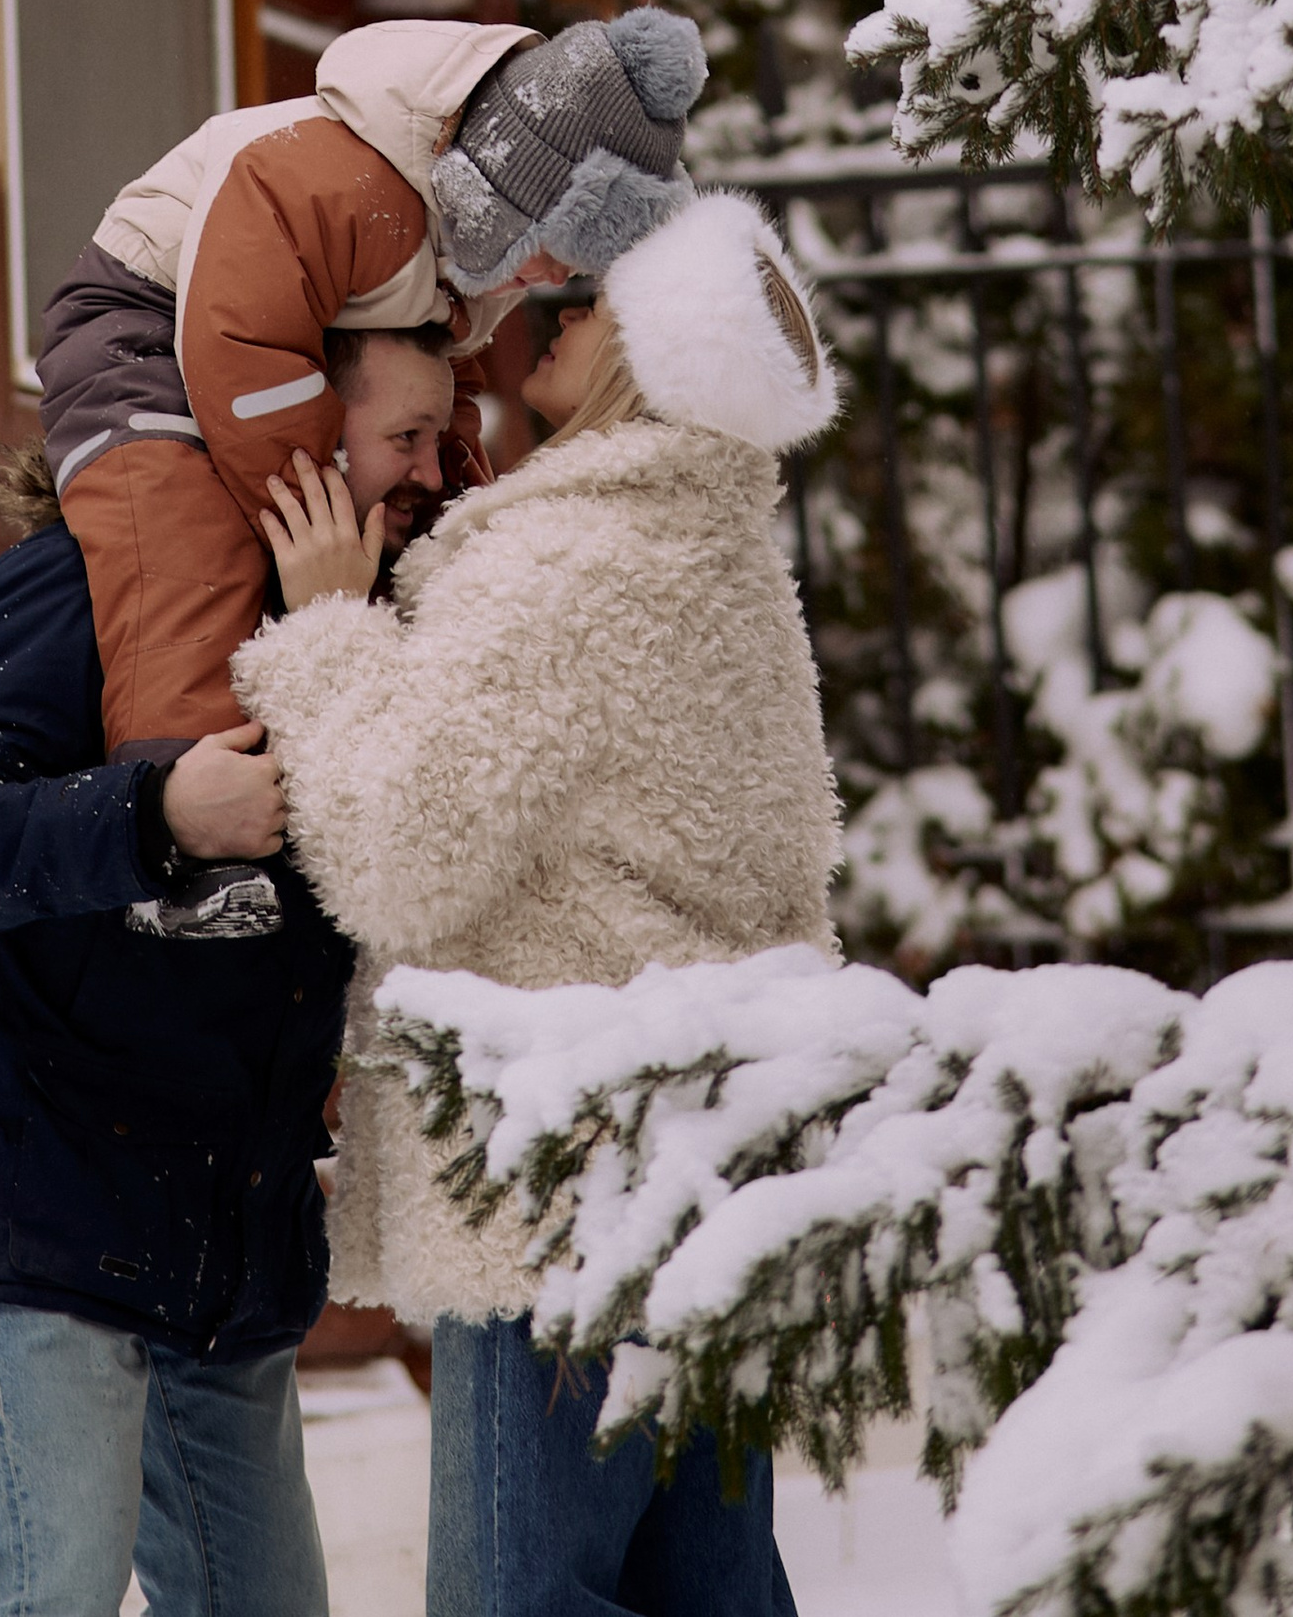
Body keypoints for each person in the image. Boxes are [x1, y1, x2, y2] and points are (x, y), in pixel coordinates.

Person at [238, 188, 844, 1617]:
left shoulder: (570, 555)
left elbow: (394, 845)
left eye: (585, 301)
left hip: (558, 1186)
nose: (546, 315)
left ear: (649, 348)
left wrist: (325, 628)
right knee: (714, 1592)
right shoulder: (728, 562)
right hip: (711, 1175)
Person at [0, 318, 468, 1617]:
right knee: (50, 1592)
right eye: (402, 435)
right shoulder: (96, 573)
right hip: (38, 1191)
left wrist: (333, 643)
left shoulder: (372, 623)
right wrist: (156, 815)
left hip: (216, 1232)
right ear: (300, 435)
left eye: (443, 434)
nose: (433, 465)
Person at [40, 7, 707, 769]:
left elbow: (442, 380)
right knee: (187, 552)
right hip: (141, 323)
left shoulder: (479, 254)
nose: (554, 281)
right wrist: (318, 506)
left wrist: (461, 509)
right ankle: (183, 802)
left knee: (409, 547)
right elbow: (243, 340)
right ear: (503, 189)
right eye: (553, 249)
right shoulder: (339, 181)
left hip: (285, 341)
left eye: (577, 266)